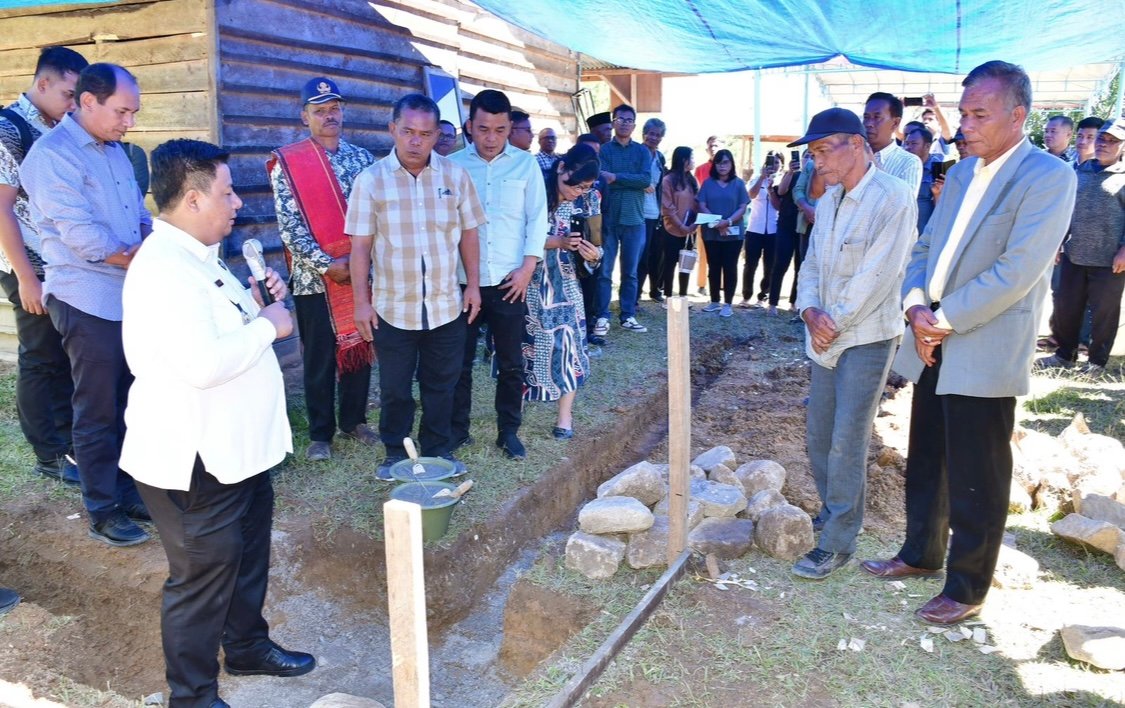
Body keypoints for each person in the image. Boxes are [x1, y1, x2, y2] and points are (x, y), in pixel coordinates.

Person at [862, 61, 1077, 625]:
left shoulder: (1049, 177)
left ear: (1018, 115)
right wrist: (914, 305)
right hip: (932, 331)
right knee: (928, 450)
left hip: (982, 339)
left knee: (978, 467)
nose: (966, 124)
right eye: (963, 112)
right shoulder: (960, 173)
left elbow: (1019, 269)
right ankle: (920, 554)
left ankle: (968, 585)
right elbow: (924, 246)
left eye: (979, 114)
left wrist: (942, 318)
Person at [121, 138, 313, 708]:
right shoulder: (163, 271)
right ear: (194, 199)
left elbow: (222, 337)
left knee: (247, 555)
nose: (236, 204)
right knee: (200, 583)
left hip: (237, 452)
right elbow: (204, 365)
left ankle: (248, 645)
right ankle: (193, 697)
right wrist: (268, 328)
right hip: (195, 461)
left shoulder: (202, 260)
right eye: (227, 193)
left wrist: (257, 307)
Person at [21, 63, 152, 547]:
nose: (129, 123)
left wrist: (150, 248)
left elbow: (139, 211)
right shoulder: (51, 156)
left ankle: (126, 488)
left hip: (128, 295)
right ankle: (102, 508)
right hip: (86, 297)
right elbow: (79, 234)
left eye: (134, 113)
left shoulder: (116, 151)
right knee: (96, 408)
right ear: (88, 101)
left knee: (128, 402)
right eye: (122, 111)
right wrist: (135, 258)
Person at [787, 108, 917, 579]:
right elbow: (813, 265)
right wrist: (808, 311)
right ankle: (834, 508)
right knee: (820, 432)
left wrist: (831, 320)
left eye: (823, 151)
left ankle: (839, 539)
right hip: (824, 333)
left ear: (856, 144)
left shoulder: (894, 197)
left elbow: (879, 276)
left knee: (847, 438)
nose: (816, 162)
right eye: (813, 153)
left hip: (866, 336)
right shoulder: (830, 200)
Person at [346, 93, 485, 479]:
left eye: (425, 134)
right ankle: (395, 452)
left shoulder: (455, 177)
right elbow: (360, 248)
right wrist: (361, 303)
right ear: (393, 129)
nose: (415, 142)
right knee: (395, 388)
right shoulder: (370, 181)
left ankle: (439, 451)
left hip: (445, 305)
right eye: (407, 131)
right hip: (393, 306)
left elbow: (469, 235)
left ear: (438, 135)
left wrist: (472, 286)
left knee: (442, 383)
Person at [269, 77, 377, 462]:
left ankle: (354, 420)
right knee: (318, 355)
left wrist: (359, 264)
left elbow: (375, 216)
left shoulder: (363, 160)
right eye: (319, 111)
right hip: (314, 279)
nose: (329, 116)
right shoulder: (289, 163)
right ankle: (320, 433)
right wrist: (327, 264)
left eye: (334, 109)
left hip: (360, 273)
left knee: (360, 348)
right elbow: (290, 225)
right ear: (304, 116)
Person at [0, 46, 88, 486]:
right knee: (39, 356)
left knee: (62, 353)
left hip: (58, 264)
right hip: (26, 264)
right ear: (43, 83)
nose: (74, 105)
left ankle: (69, 442)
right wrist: (26, 277)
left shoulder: (55, 127)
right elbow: (1, 211)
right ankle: (48, 454)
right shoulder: (7, 128)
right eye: (70, 94)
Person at [449, 89, 548, 460]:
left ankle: (508, 431)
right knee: (458, 361)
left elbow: (537, 218)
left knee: (511, 361)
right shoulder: (453, 165)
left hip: (511, 281)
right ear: (469, 127)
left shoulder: (526, 165)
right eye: (483, 129)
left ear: (510, 128)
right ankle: (457, 431)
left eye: (500, 130)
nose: (491, 138)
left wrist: (527, 267)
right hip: (463, 282)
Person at [1036, 118, 1125, 377]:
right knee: (1066, 307)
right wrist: (1057, 243)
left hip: (1109, 260)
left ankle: (1096, 362)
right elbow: (1066, 211)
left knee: (1104, 313)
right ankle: (1065, 355)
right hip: (1075, 254)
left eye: (1112, 141)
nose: (1104, 144)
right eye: (1102, 139)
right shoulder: (1081, 171)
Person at [525, 144, 603, 439]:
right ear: (561, 169)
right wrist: (555, 242)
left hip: (567, 285)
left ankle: (564, 417)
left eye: (585, 187)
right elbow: (516, 234)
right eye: (575, 184)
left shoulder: (591, 200)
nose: (578, 192)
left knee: (567, 346)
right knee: (525, 344)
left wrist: (594, 255)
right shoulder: (535, 191)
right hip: (528, 281)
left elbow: (598, 244)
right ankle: (515, 407)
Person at [594, 103, 652, 335]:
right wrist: (629, 180)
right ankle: (602, 316)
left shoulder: (642, 152)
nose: (625, 123)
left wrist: (617, 177)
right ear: (613, 122)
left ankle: (627, 315)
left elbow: (645, 180)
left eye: (629, 120)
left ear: (634, 125)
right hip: (609, 219)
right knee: (605, 272)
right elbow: (601, 178)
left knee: (630, 272)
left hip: (634, 219)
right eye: (621, 119)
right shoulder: (604, 150)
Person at [697, 148, 748, 317]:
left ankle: (728, 303)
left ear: (732, 164)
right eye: (719, 162)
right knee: (714, 267)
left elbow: (742, 206)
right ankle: (714, 301)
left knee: (730, 267)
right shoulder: (708, 183)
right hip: (711, 233)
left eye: (725, 162)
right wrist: (716, 222)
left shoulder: (739, 184)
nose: (722, 166)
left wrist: (728, 222)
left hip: (733, 233)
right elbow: (702, 204)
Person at [741, 152, 780, 307]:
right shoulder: (756, 178)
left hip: (773, 229)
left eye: (777, 162)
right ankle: (746, 295)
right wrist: (762, 178)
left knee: (770, 265)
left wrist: (771, 188)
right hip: (755, 228)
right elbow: (750, 195)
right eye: (771, 162)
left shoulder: (782, 181)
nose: (774, 165)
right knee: (750, 264)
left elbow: (779, 206)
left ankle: (763, 296)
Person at [659, 146, 698, 301]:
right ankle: (668, 296)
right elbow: (667, 207)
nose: (693, 161)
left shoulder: (692, 180)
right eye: (692, 157)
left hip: (690, 231)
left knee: (686, 263)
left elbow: (697, 203)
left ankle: (683, 296)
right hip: (671, 229)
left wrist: (694, 225)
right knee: (670, 263)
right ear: (683, 160)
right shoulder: (668, 180)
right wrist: (681, 226)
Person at [864, 92, 923, 194]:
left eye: (877, 117)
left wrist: (872, 161)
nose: (869, 124)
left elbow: (904, 206)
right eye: (866, 117)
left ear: (895, 123)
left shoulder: (909, 162)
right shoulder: (852, 155)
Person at [768, 150, 803, 314]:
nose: (809, 158)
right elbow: (781, 192)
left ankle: (794, 302)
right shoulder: (792, 175)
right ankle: (773, 302)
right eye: (807, 155)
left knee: (800, 267)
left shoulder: (817, 176)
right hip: (786, 225)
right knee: (780, 264)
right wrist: (790, 171)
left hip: (804, 227)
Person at [636, 117, 667, 304]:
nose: (654, 137)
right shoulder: (637, 153)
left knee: (651, 256)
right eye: (651, 133)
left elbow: (660, 185)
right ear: (644, 134)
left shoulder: (660, 158)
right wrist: (641, 184)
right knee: (639, 257)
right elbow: (633, 177)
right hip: (638, 211)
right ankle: (633, 297)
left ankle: (647, 291)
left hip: (655, 212)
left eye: (658, 134)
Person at [693, 136, 723, 296]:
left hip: (724, 216)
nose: (713, 148)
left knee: (724, 250)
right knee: (704, 250)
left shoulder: (728, 167)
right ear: (707, 149)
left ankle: (722, 285)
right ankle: (702, 284)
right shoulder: (700, 169)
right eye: (711, 146)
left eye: (716, 145)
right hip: (705, 215)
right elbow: (697, 193)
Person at [903, 126, 940, 234]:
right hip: (904, 231)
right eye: (907, 143)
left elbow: (945, 206)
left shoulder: (940, 167)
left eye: (914, 144)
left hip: (926, 234)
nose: (908, 148)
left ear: (927, 146)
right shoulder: (903, 165)